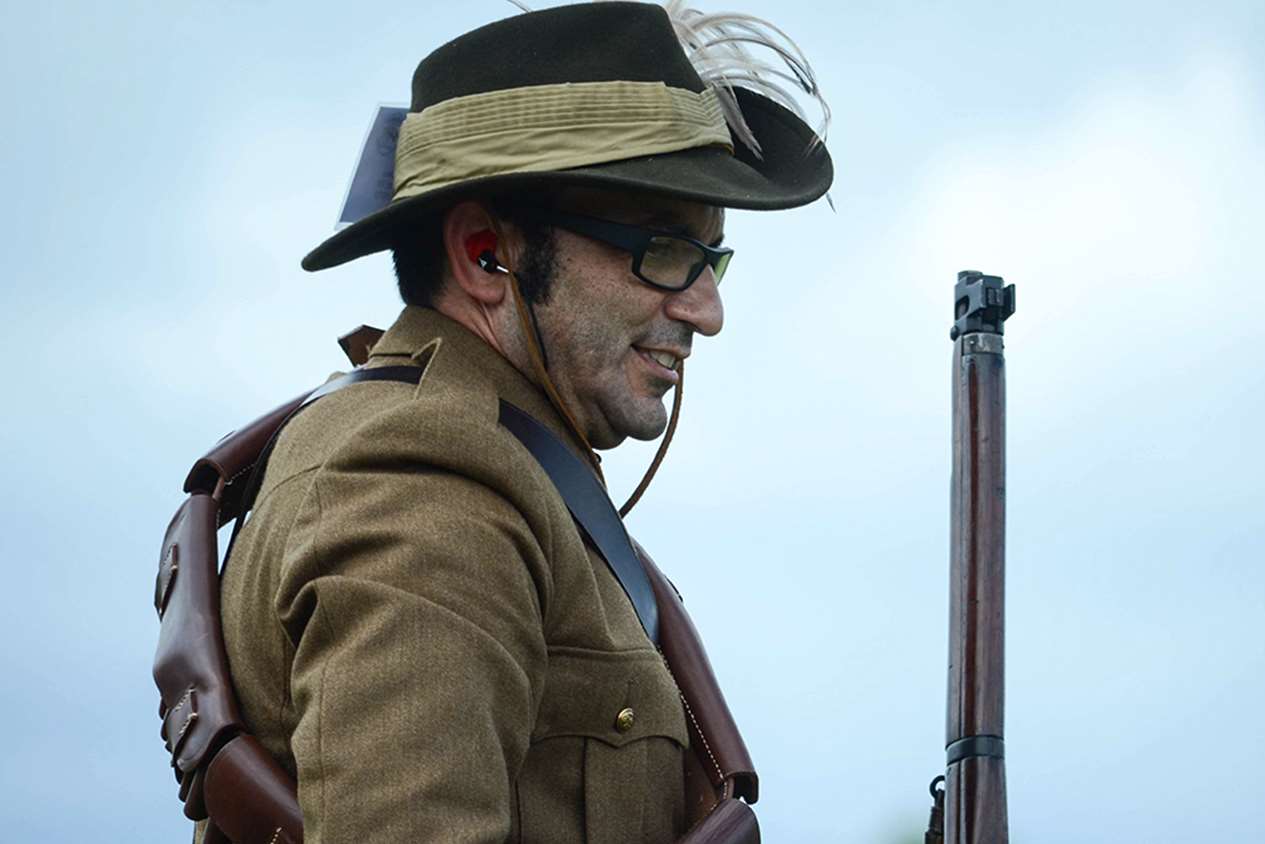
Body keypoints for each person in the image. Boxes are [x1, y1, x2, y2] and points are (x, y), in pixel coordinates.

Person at [212, 2, 832, 842]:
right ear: (484, 255)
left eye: (710, 256)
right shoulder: (426, 484)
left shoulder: (486, 461)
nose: (707, 309)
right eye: (662, 249)